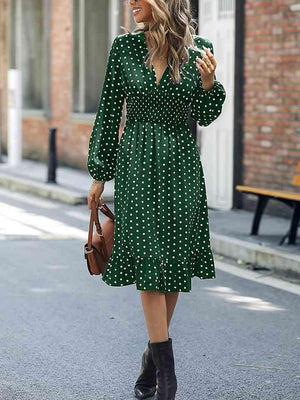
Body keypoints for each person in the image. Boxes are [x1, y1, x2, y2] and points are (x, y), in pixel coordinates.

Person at [87, 0, 226, 398]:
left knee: (175, 259)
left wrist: (209, 86)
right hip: (137, 164)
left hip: (180, 164)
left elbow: (207, 113)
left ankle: (152, 358)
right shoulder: (124, 48)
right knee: (149, 258)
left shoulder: (199, 50)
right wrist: (100, 173)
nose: (132, 1)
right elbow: (109, 112)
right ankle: (168, 377)